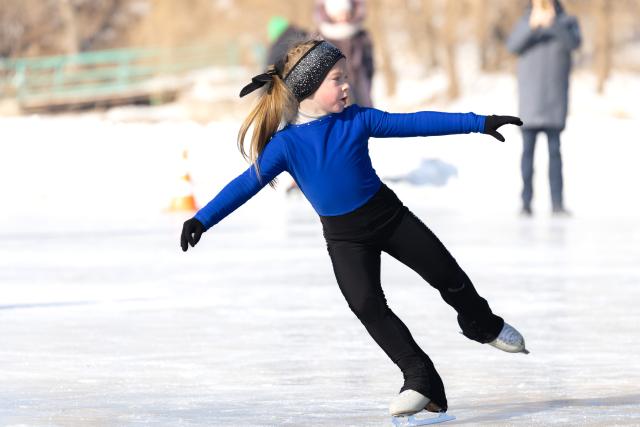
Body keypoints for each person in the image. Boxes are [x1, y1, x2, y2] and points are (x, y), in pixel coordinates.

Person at [180, 39, 527, 420]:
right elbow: (246, 184)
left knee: (446, 274)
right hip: (345, 238)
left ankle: (483, 324)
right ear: (308, 88)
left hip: (390, 217)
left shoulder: (358, 119)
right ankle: (420, 377)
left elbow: (413, 123)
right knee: (367, 306)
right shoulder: (287, 144)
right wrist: (202, 219)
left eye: (346, 77)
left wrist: (478, 123)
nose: (347, 85)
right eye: (336, 79)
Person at [506, 0, 581, 216]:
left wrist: (553, 24)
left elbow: (573, 44)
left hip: (554, 100)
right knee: (527, 155)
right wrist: (533, 26)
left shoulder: (567, 22)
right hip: (530, 101)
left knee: (555, 154)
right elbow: (512, 46)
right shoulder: (524, 22)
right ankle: (526, 202)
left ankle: (557, 203)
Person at [315, 0, 374, 107]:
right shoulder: (320, 38)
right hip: (335, 91)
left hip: (361, 89)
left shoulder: (361, 35)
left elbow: (369, 64)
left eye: (345, 13)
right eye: (338, 14)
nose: (343, 18)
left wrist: (365, 82)